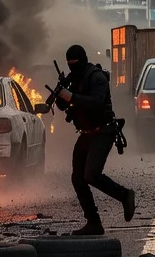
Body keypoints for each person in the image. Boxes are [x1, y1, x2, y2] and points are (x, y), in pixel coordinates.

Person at [55, 44, 136, 235]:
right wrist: (61, 94)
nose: (72, 67)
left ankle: (124, 195)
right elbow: (61, 105)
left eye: (75, 63)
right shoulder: (73, 78)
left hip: (103, 131)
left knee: (91, 174)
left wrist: (71, 96)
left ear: (82, 60)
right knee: (77, 178)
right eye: (70, 64)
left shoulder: (96, 76)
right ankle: (93, 222)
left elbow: (96, 102)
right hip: (85, 133)